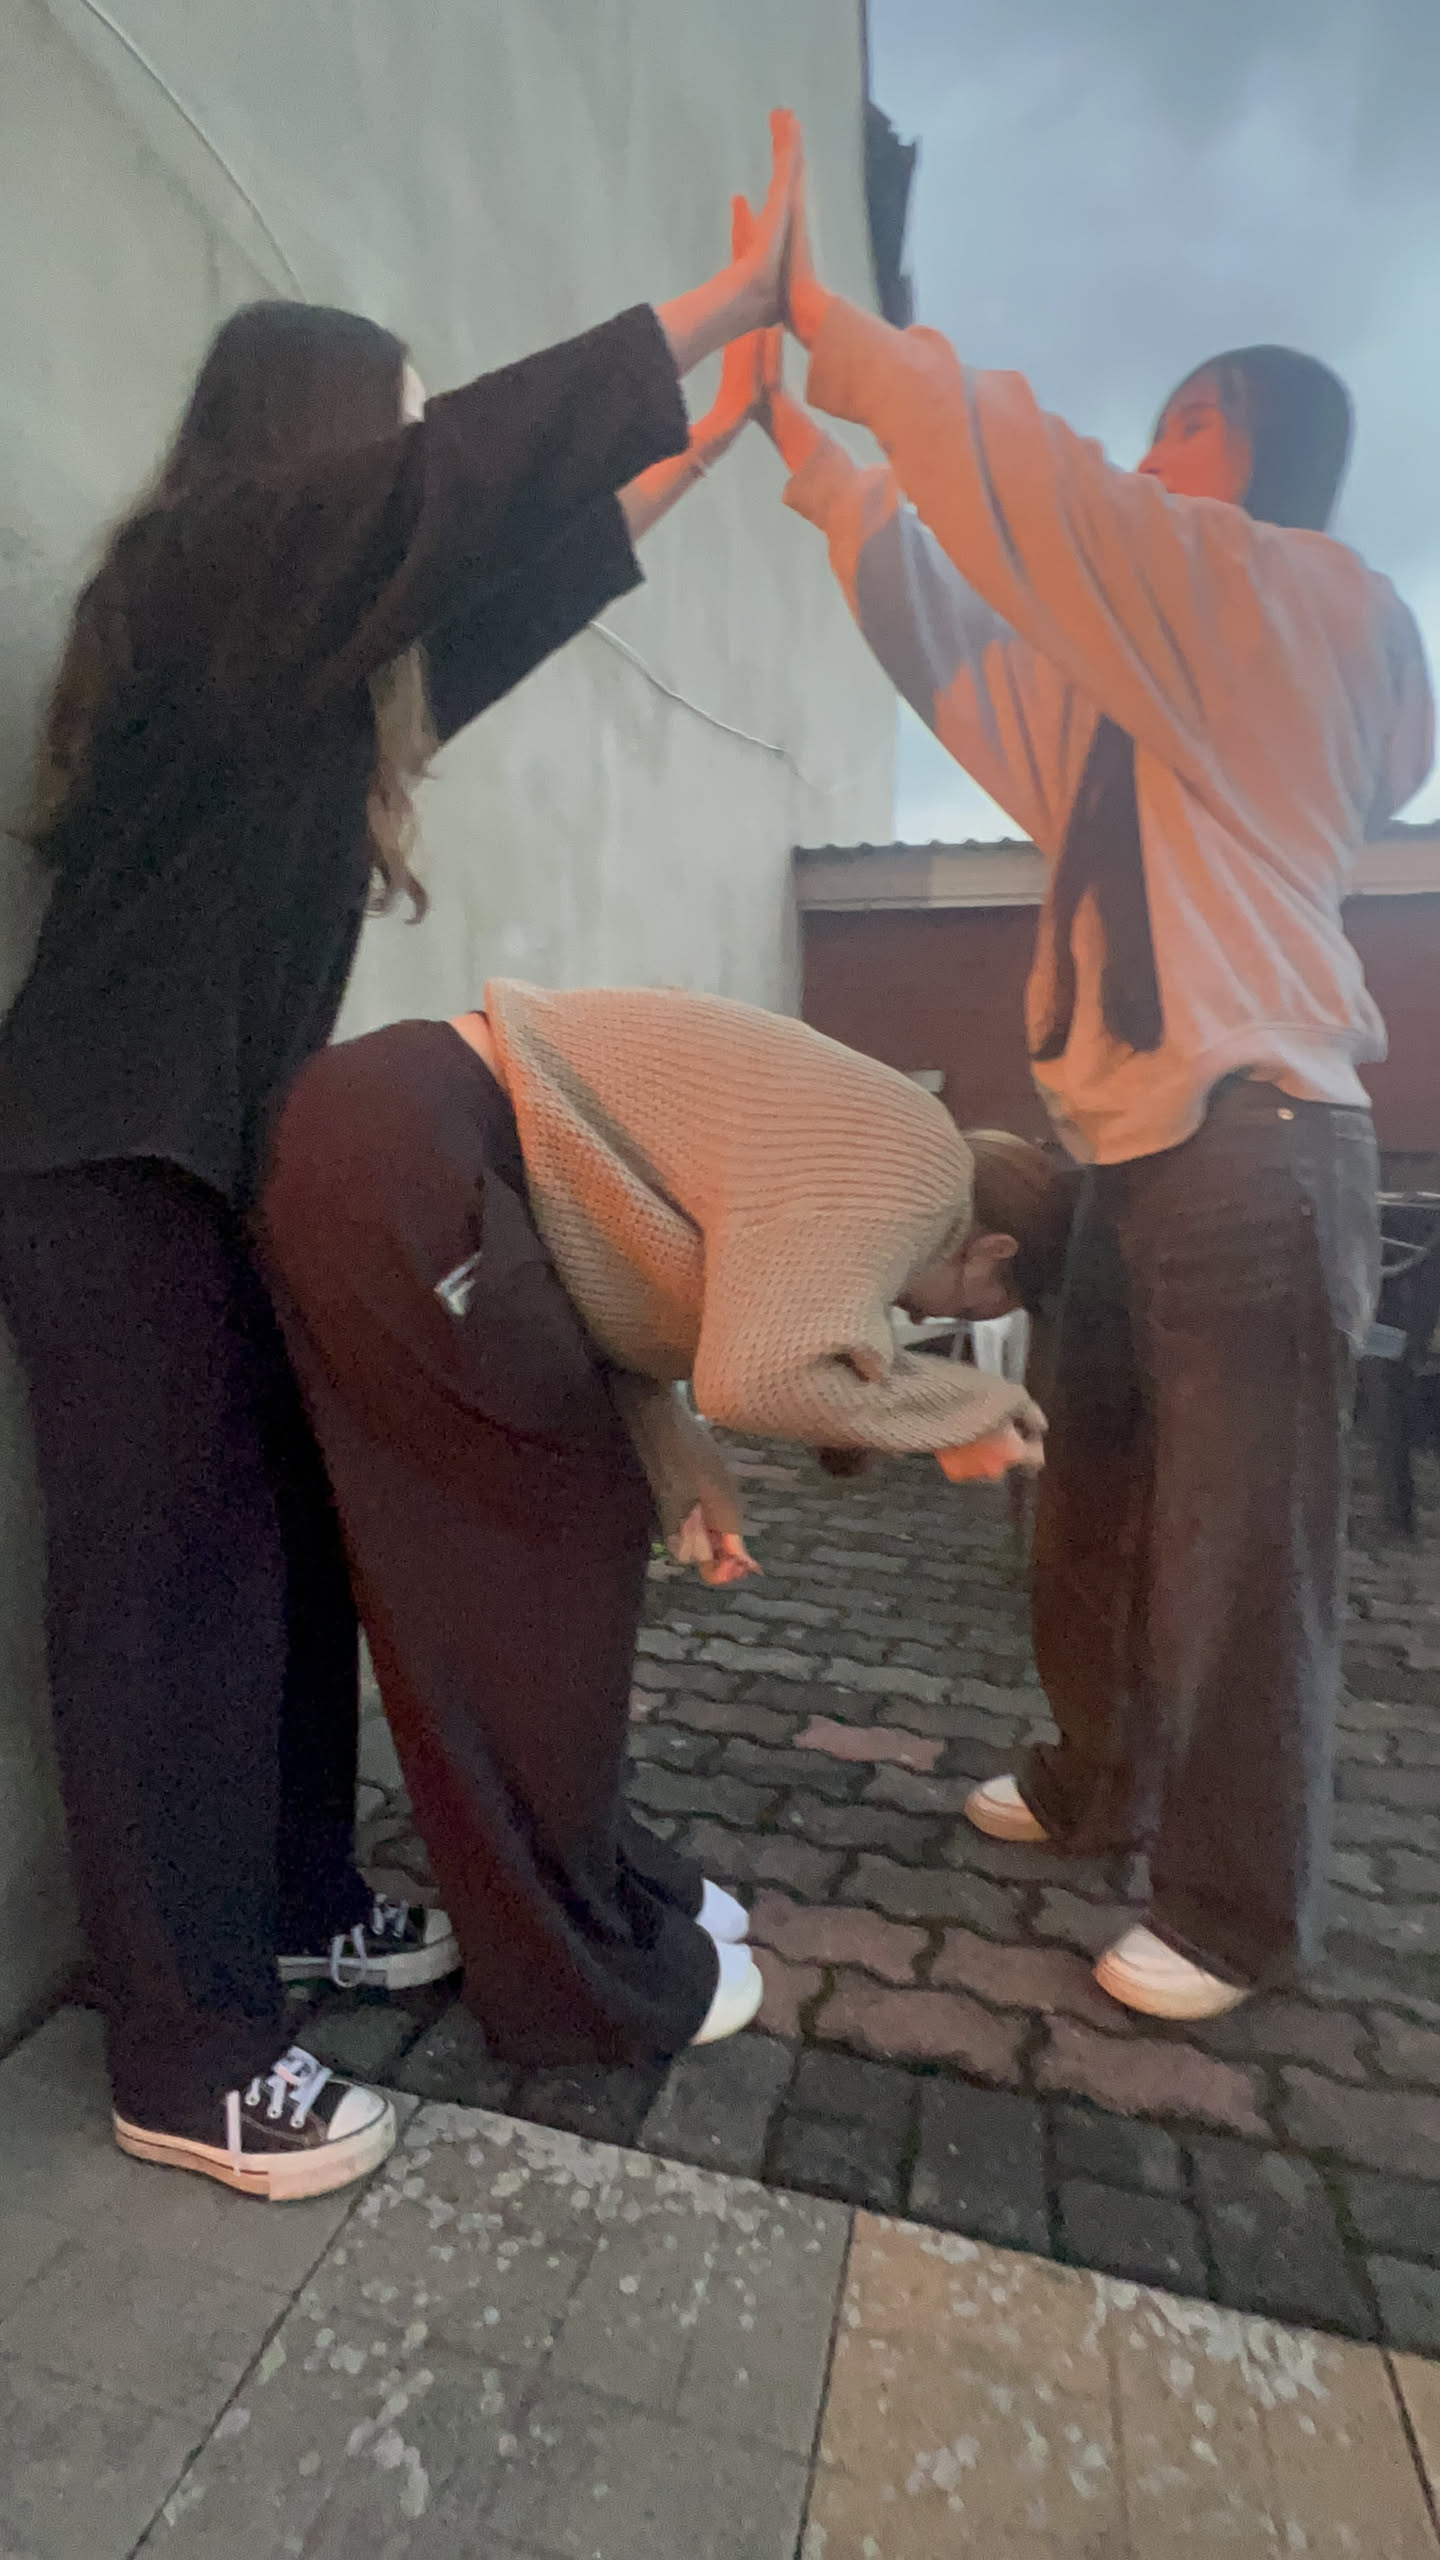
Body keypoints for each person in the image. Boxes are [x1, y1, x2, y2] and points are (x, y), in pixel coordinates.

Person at [0, 119, 803, 2201]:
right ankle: (187, 2055)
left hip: (214, 1164)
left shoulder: (307, 667)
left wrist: (724, 408)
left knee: (285, 1551)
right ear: (312, 441)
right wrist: (710, 303)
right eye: (402, 423)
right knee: (167, 1605)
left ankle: (291, 1901)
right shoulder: (199, 583)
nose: (429, 463)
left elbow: (520, 568)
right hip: (108, 1164)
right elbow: (457, 493)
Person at [760, 131, 1435, 2018]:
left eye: (1176, 426)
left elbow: (1053, 510)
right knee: (1092, 1501)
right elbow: (964, 647)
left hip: (1262, 1142)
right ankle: (1098, 1782)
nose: (1141, 454)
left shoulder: (1312, 610)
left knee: (1242, 1554)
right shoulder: (1148, 689)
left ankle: (1235, 1909)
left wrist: (849, 340)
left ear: (1251, 450)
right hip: (1136, 1158)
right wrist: (822, 465)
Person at [257, 982, 1064, 2069]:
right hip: (418, 1145)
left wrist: (682, 1465)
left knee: (557, 1542)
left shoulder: (877, 1156)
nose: (921, 1318)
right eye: (968, 1312)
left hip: (417, 1135)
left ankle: (593, 1876)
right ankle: (575, 1978)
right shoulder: (919, 1170)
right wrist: (964, 1410)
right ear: (993, 1251)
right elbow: (762, 1372)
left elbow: (626, 1294)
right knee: (533, 1563)